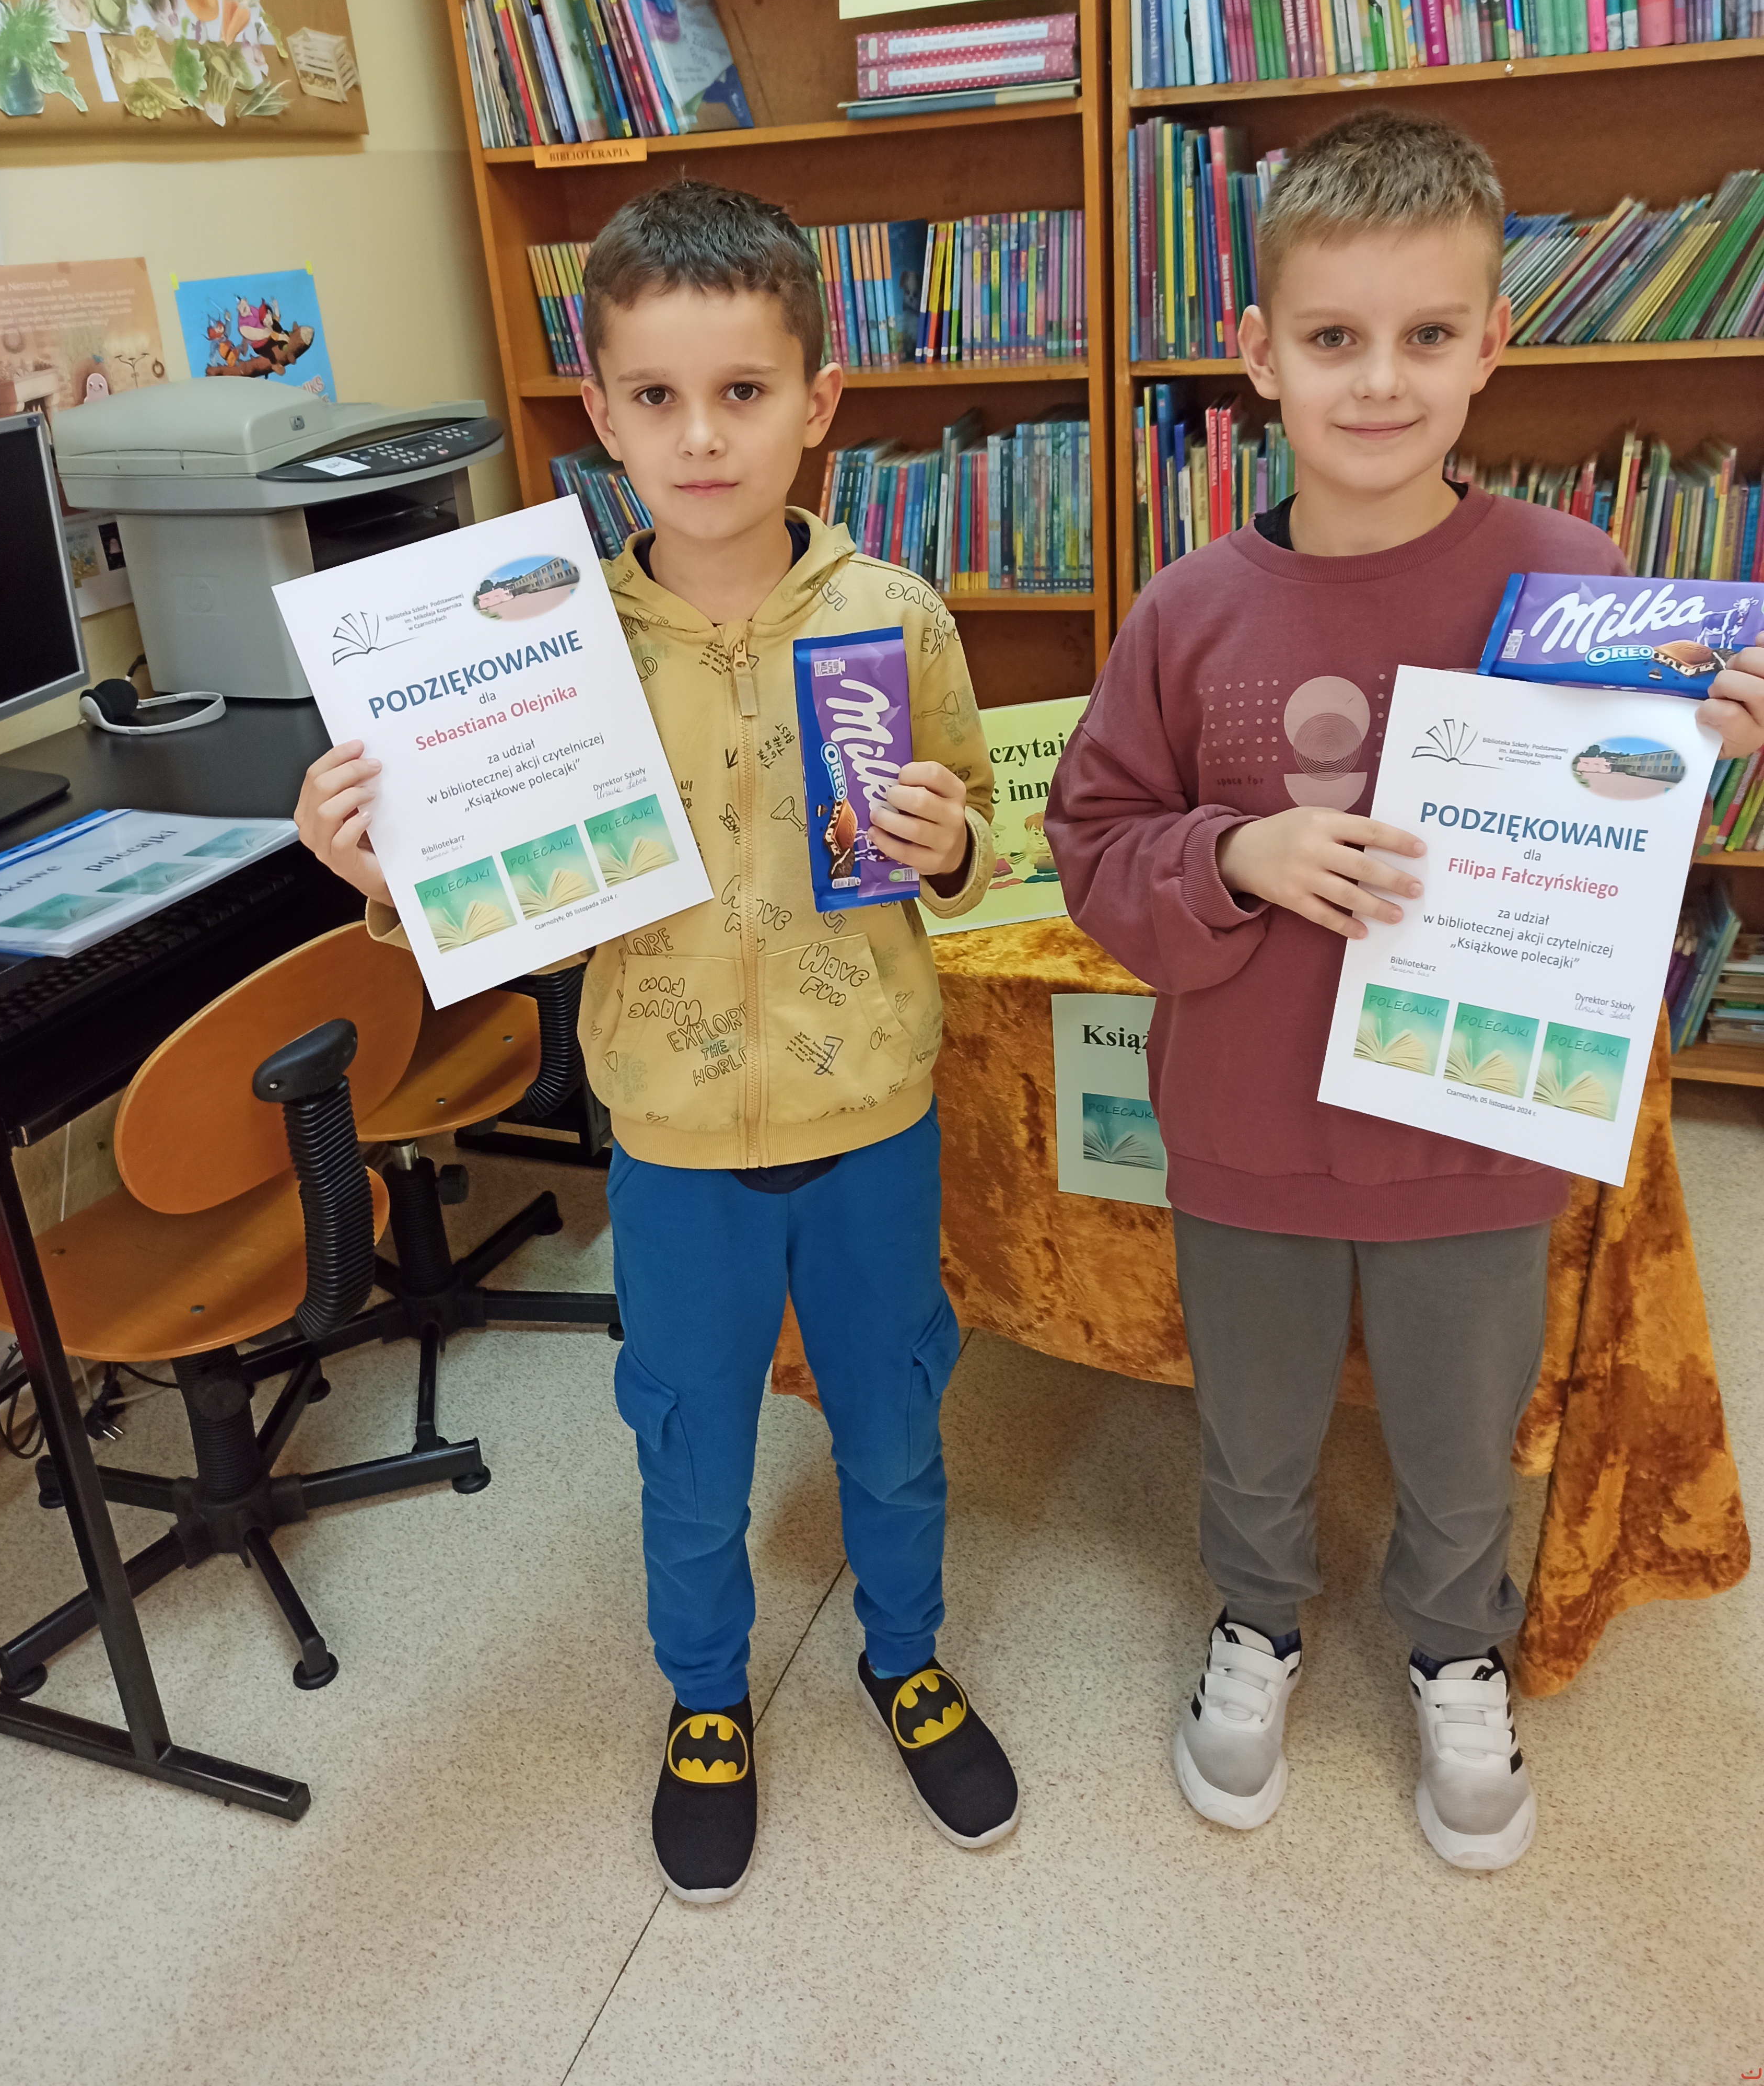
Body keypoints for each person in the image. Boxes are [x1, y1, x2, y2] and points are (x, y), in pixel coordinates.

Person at [1045, 110, 1764, 1872]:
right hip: (1250, 1131)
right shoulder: (1189, 608)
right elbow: (1093, 841)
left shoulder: (1580, 588)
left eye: (1428, 335)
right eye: (1334, 337)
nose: (1380, 381)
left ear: (1492, 343)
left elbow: (1605, 869)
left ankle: (1456, 1648)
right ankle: (1257, 1620)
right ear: (1257, 354)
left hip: (1477, 1128)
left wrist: (1703, 759)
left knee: (1461, 1434)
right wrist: (1237, 854)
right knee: (1255, 1423)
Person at [292, 179, 1019, 1904]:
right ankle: (706, 1698)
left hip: (873, 1118)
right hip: (674, 1141)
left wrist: (953, 846)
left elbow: (980, 830)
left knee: (894, 1421)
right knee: (689, 1444)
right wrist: (392, 875)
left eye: (744, 391)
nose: (702, 436)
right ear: (601, 413)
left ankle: (905, 1655)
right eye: (658, 397)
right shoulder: (549, 649)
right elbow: (514, 912)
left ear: (819, 402)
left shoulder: (897, 614)